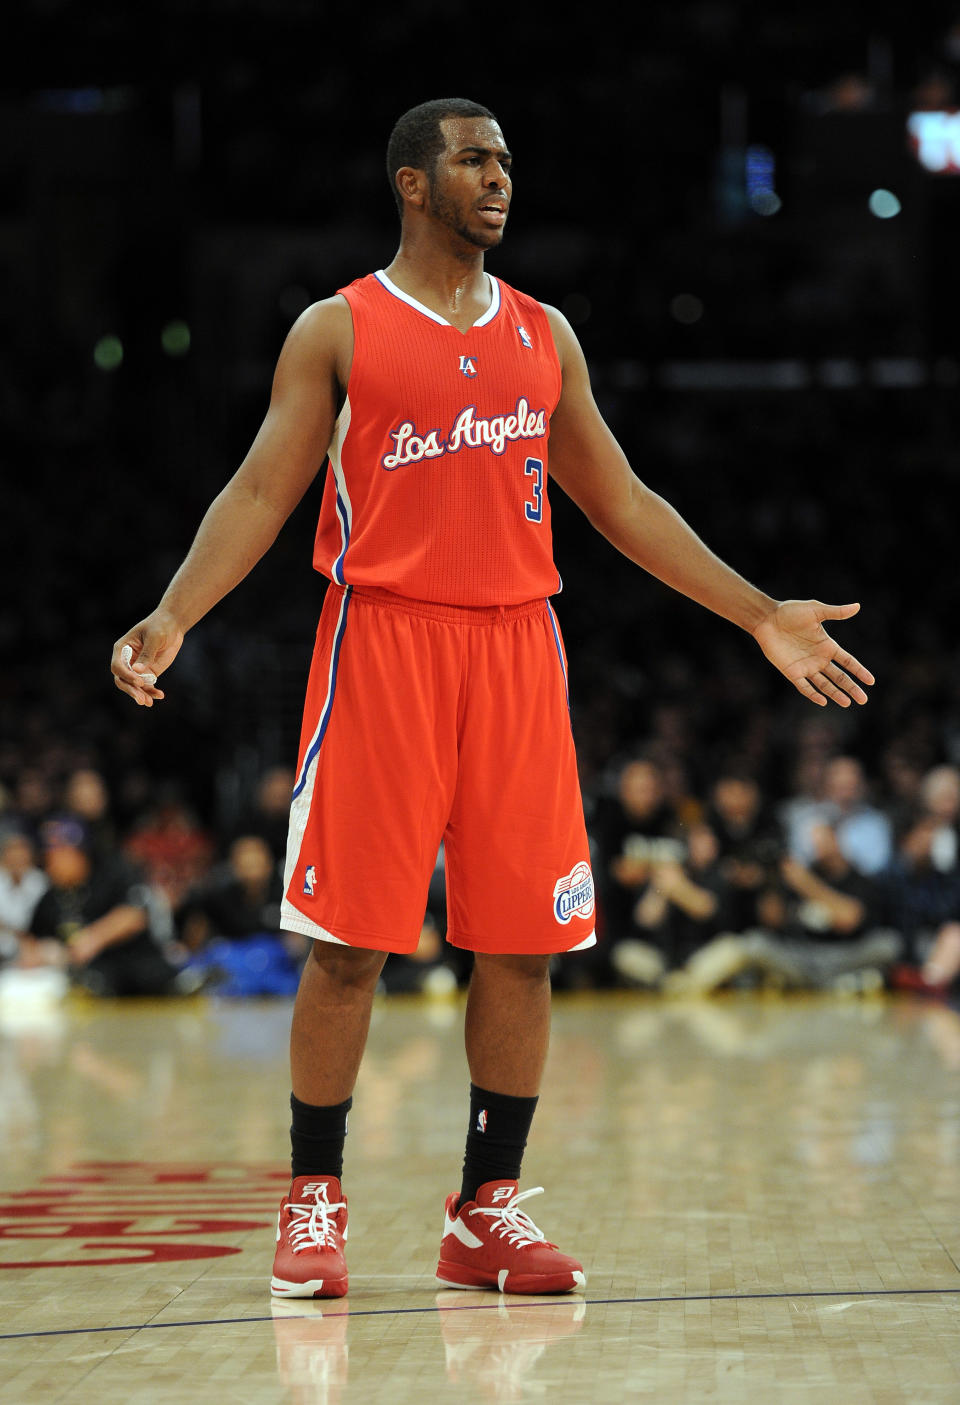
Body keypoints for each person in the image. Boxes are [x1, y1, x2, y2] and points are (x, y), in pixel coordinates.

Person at [110, 97, 873, 1299]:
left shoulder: (544, 334)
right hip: (383, 646)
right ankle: (315, 1197)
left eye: (508, 158)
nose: (501, 176)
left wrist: (759, 610)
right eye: (474, 159)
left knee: (522, 944)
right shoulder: (339, 328)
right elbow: (260, 492)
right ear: (413, 184)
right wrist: (173, 612)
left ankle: (486, 1213)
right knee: (351, 945)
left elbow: (621, 502)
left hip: (520, 648)